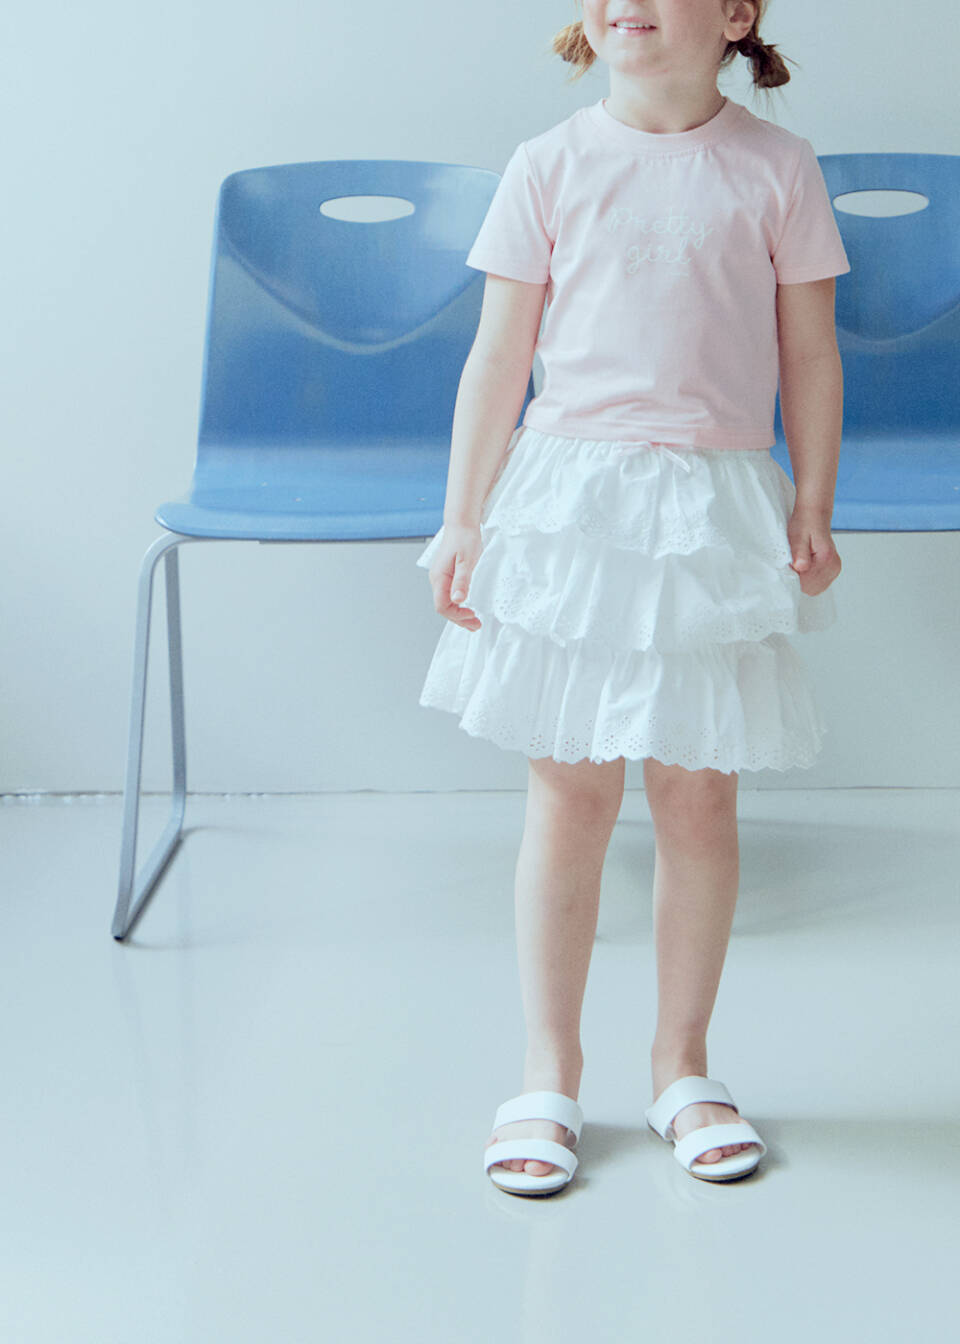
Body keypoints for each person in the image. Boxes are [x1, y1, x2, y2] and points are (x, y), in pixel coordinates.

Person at [416, 0, 849, 1195]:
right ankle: (548, 1072)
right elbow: (499, 358)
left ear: (736, 15)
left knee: (700, 792)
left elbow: (811, 351)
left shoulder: (780, 168)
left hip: (714, 505)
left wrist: (814, 499)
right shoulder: (547, 164)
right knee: (570, 788)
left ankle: (682, 1067)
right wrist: (464, 516)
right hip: (573, 507)